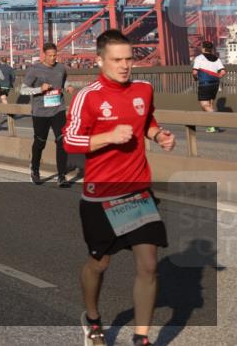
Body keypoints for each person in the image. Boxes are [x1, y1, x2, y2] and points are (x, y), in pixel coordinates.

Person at [63, 29, 176, 346]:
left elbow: (148, 121)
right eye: (117, 60)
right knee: (99, 263)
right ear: (99, 60)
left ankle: (141, 339)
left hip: (138, 192)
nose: (125, 66)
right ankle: (93, 319)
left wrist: (158, 136)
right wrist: (107, 137)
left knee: (149, 265)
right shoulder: (89, 96)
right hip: (101, 196)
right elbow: (69, 140)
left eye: (129, 59)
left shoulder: (144, 89)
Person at [21, 42, 74, 187]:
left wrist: (67, 86)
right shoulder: (34, 69)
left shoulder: (61, 68)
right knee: (40, 142)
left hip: (58, 109)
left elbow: (62, 80)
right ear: (43, 55)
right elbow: (23, 90)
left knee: (62, 141)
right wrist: (39, 89)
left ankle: (62, 176)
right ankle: (35, 169)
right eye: (49, 56)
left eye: (54, 55)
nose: (52, 58)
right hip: (40, 112)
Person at [192, 41, 226, 132]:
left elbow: (195, 72)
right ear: (211, 49)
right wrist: (216, 77)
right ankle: (212, 127)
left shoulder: (199, 58)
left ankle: (215, 119)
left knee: (204, 105)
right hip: (215, 83)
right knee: (210, 104)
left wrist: (195, 78)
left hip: (205, 83)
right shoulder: (216, 58)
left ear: (203, 48)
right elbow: (223, 72)